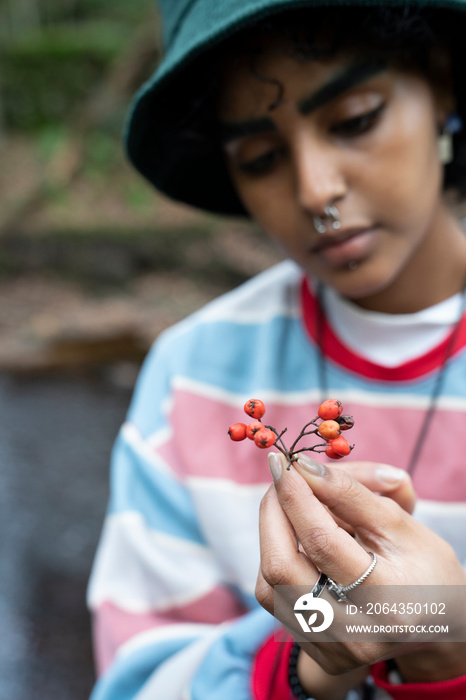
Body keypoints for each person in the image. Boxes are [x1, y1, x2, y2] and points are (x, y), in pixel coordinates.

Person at [87, 1, 466, 698]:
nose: (317, 190)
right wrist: (310, 655)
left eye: (355, 120)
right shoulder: (191, 374)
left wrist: (444, 645)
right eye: (261, 158)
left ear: (442, 81)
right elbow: (137, 678)